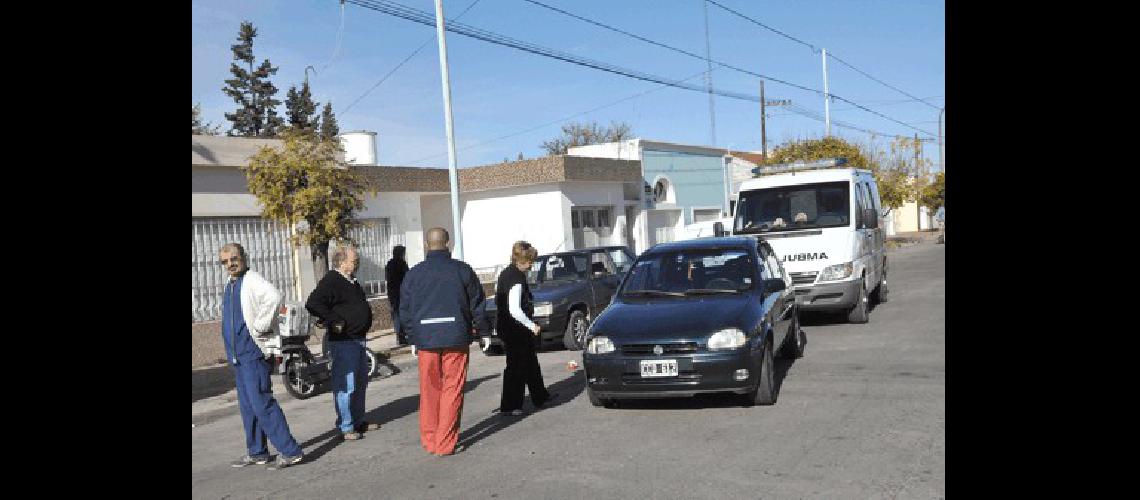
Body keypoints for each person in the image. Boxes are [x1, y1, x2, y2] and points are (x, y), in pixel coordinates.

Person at [399, 227, 487, 456]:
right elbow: (477, 303)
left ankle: (430, 440)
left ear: (427, 245)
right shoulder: (462, 270)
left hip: (425, 339)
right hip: (455, 336)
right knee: (452, 389)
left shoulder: (414, 274)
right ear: (448, 243)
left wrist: (411, 337)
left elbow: (405, 310)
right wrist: (483, 332)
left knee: (429, 391)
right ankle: (445, 442)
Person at [218, 243, 304, 470]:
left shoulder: (252, 279)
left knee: (262, 403)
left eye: (234, 258)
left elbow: (276, 297)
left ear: (244, 257)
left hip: (253, 353)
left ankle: (290, 451)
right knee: (248, 406)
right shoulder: (232, 283)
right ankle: (257, 452)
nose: (230, 264)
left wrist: (260, 325)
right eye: (225, 262)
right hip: (239, 356)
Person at [305, 243, 379, 441]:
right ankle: (346, 426)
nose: (357, 264)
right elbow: (313, 303)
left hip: (358, 339)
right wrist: (334, 320)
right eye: (354, 261)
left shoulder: (351, 280)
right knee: (346, 385)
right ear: (342, 262)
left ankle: (358, 419)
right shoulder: (332, 280)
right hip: (344, 341)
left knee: (361, 382)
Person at [496, 241, 557, 417]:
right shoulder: (516, 278)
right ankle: (511, 405)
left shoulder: (506, 273)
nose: (531, 265)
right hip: (516, 329)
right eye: (530, 262)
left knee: (530, 363)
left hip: (508, 327)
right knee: (516, 367)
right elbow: (514, 309)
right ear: (522, 260)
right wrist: (532, 326)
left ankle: (540, 396)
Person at [385, 245, 409, 346]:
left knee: (396, 313)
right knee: (401, 313)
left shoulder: (389, 264)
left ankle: (399, 335)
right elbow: (407, 277)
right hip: (401, 292)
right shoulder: (402, 264)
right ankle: (402, 336)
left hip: (392, 292)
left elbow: (388, 278)